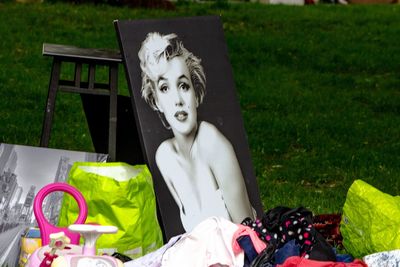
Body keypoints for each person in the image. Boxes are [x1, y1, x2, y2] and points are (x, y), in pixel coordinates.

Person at [138, 32, 254, 232]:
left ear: (196, 94)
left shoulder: (211, 142)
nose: (178, 100)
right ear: (156, 101)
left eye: (183, 86)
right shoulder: (164, 156)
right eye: (165, 88)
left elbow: (250, 234)